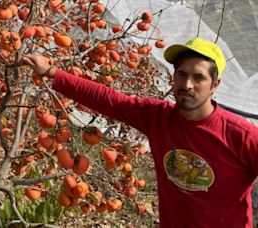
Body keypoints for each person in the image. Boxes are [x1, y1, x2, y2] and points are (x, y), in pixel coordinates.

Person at [22, 37, 258, 227]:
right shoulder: (158, 117)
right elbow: (109, 100)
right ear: (173, 78)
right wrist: (52, 73)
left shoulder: (241, 136)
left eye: (199, 78)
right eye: (182, 74)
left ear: (215, 85)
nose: (187, 85)